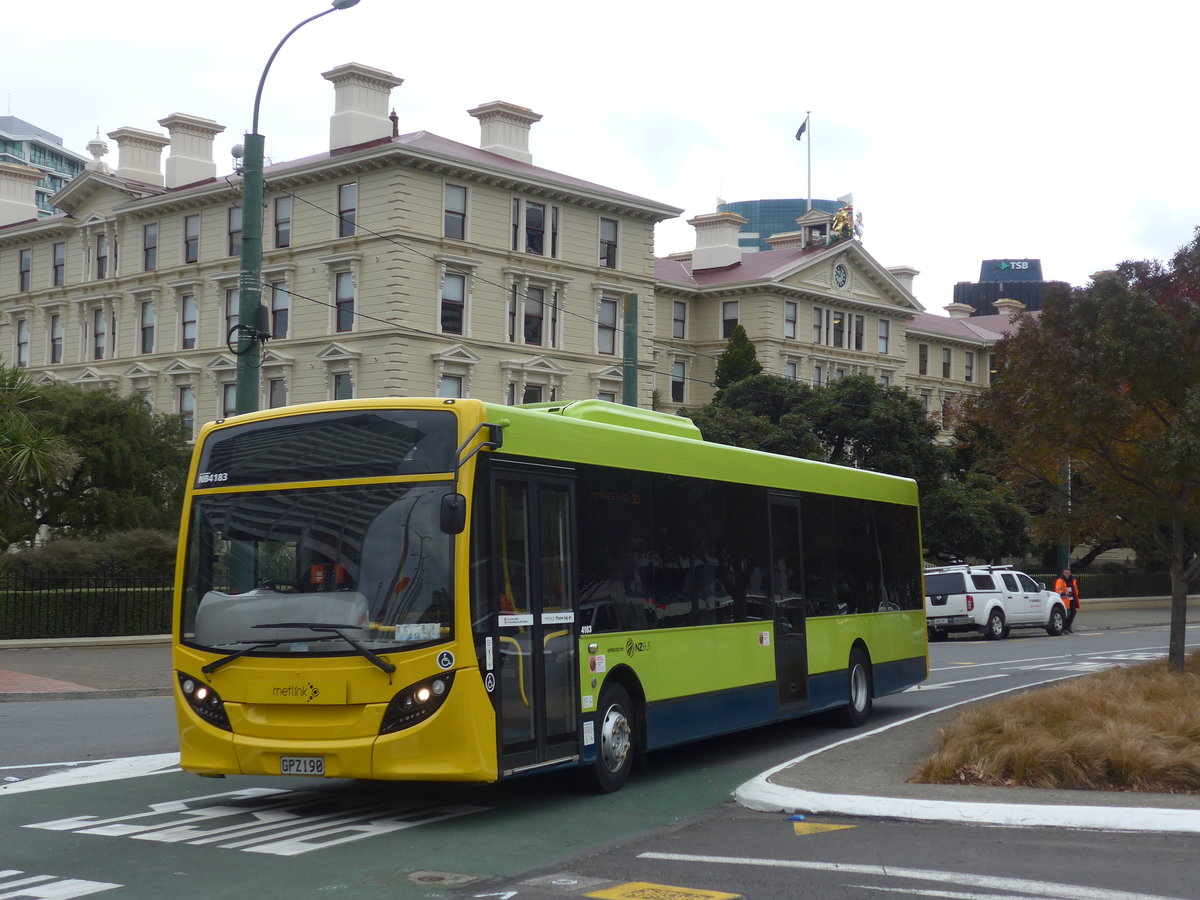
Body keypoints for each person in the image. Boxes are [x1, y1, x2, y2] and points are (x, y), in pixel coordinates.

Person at [1055, 568, 1081, 633]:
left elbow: (1075, 589)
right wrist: (1065, 593)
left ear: (1070, 573)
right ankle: (1064, 628)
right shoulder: (1060, 581)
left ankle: (1068, 626)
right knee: (1066, 615)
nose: (1067, 574)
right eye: (1066, 573)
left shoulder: (1072, 580)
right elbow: (1057, 590)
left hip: (1072, 599)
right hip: (1064, 600)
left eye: (1068, 573)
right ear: (1063, 573)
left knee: (1073, 613)